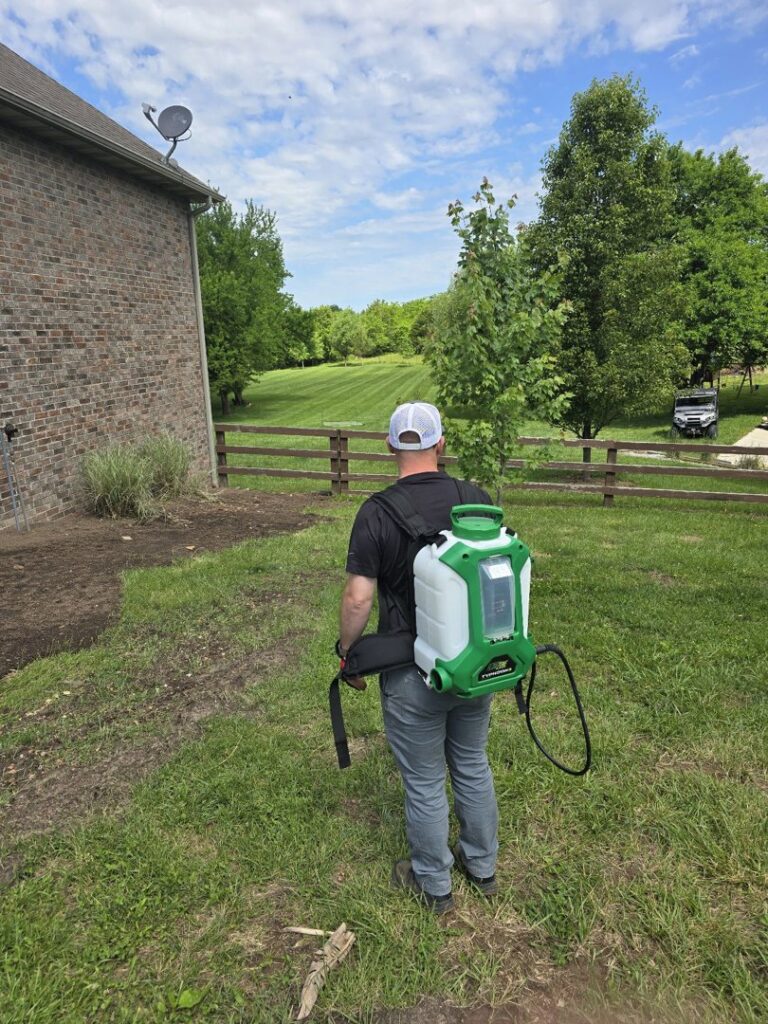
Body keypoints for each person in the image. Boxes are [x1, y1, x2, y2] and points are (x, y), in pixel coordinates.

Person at [339, 401, 499, 914]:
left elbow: (358, 598)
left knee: (425, 779)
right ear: (440, 444)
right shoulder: (475, 499)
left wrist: (347, 655)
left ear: (390, 446)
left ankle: (434, 885)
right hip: (473, 664)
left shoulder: (376, 512)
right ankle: (483, 866)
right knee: (472, 763)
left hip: (412, 673)